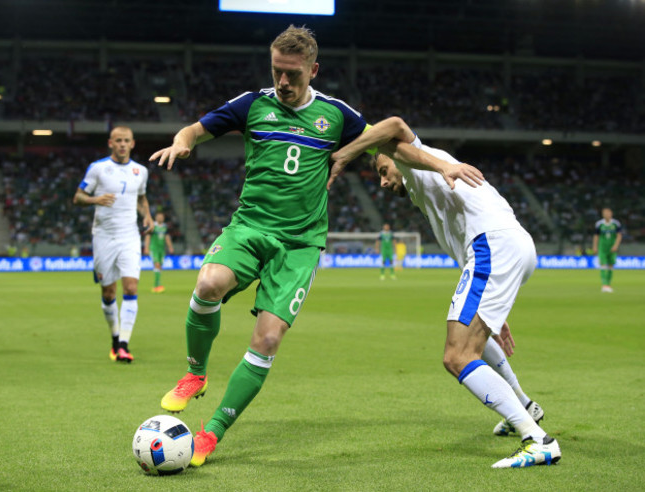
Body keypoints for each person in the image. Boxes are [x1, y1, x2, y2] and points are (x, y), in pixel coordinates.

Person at [149, 26, 482, 467]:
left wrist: (386, 166)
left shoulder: (335, 114)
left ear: (313, 70)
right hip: (250, 226)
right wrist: (181, 142)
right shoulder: (252, 104)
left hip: (301, 244)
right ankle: (195, 373)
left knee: (268, 338)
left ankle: (212, 433)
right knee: (209, 282)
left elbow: (379, 145)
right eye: (277, 73)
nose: (283, 83)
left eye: (292, 75)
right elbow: (196, 129)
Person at [328, 116, 560, 468]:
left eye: (382, 170)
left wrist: (346, 154)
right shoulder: (427, 192)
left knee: (457, 356)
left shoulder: (416, 161)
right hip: (511, 246)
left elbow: (394, 124)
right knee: (476, 339)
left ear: (397, 157)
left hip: (493, 245)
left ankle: (537, 440)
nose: (383, 181)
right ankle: (526, 407)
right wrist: (499, 312)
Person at [73, 126, 153, 363]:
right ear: (110, 143)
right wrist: (94, 199)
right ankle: (114, 338)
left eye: (126, 140)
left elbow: (141, 197)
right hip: (104, 237)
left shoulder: (141, 171)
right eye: (118, 140)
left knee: (130, 288)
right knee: (108, 292)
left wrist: (146, 215)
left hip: (129, 236)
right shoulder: (98, 169)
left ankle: (124, 345)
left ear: (132, 143)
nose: (122, 144)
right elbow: (77, 197)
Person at [592, 207, 622, 293]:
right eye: (604, 213)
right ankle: (604, 284)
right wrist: (595, 246)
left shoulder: (616, 223)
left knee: (611, 266)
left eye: (608, 213)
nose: (606, 214)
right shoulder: (599, 224)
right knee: (603, 265)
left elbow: (619, 235)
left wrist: (616, 245)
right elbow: (596, 236)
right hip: (602, 248)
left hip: (612, 248)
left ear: (611, 213)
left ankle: (608, 284)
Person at [144, 211, 174, 293]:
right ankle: (156, 285)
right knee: (157, 264)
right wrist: (146, 247)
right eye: (159, 216)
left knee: (159, 266)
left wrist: (170, 247)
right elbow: (148, 236)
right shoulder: (152, 226)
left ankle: (157, 283)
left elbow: (167, 237)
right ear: (156, 217)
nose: (160, 218)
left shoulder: (164, 227)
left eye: (162, 216)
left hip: (162, 249)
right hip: (154, 249)